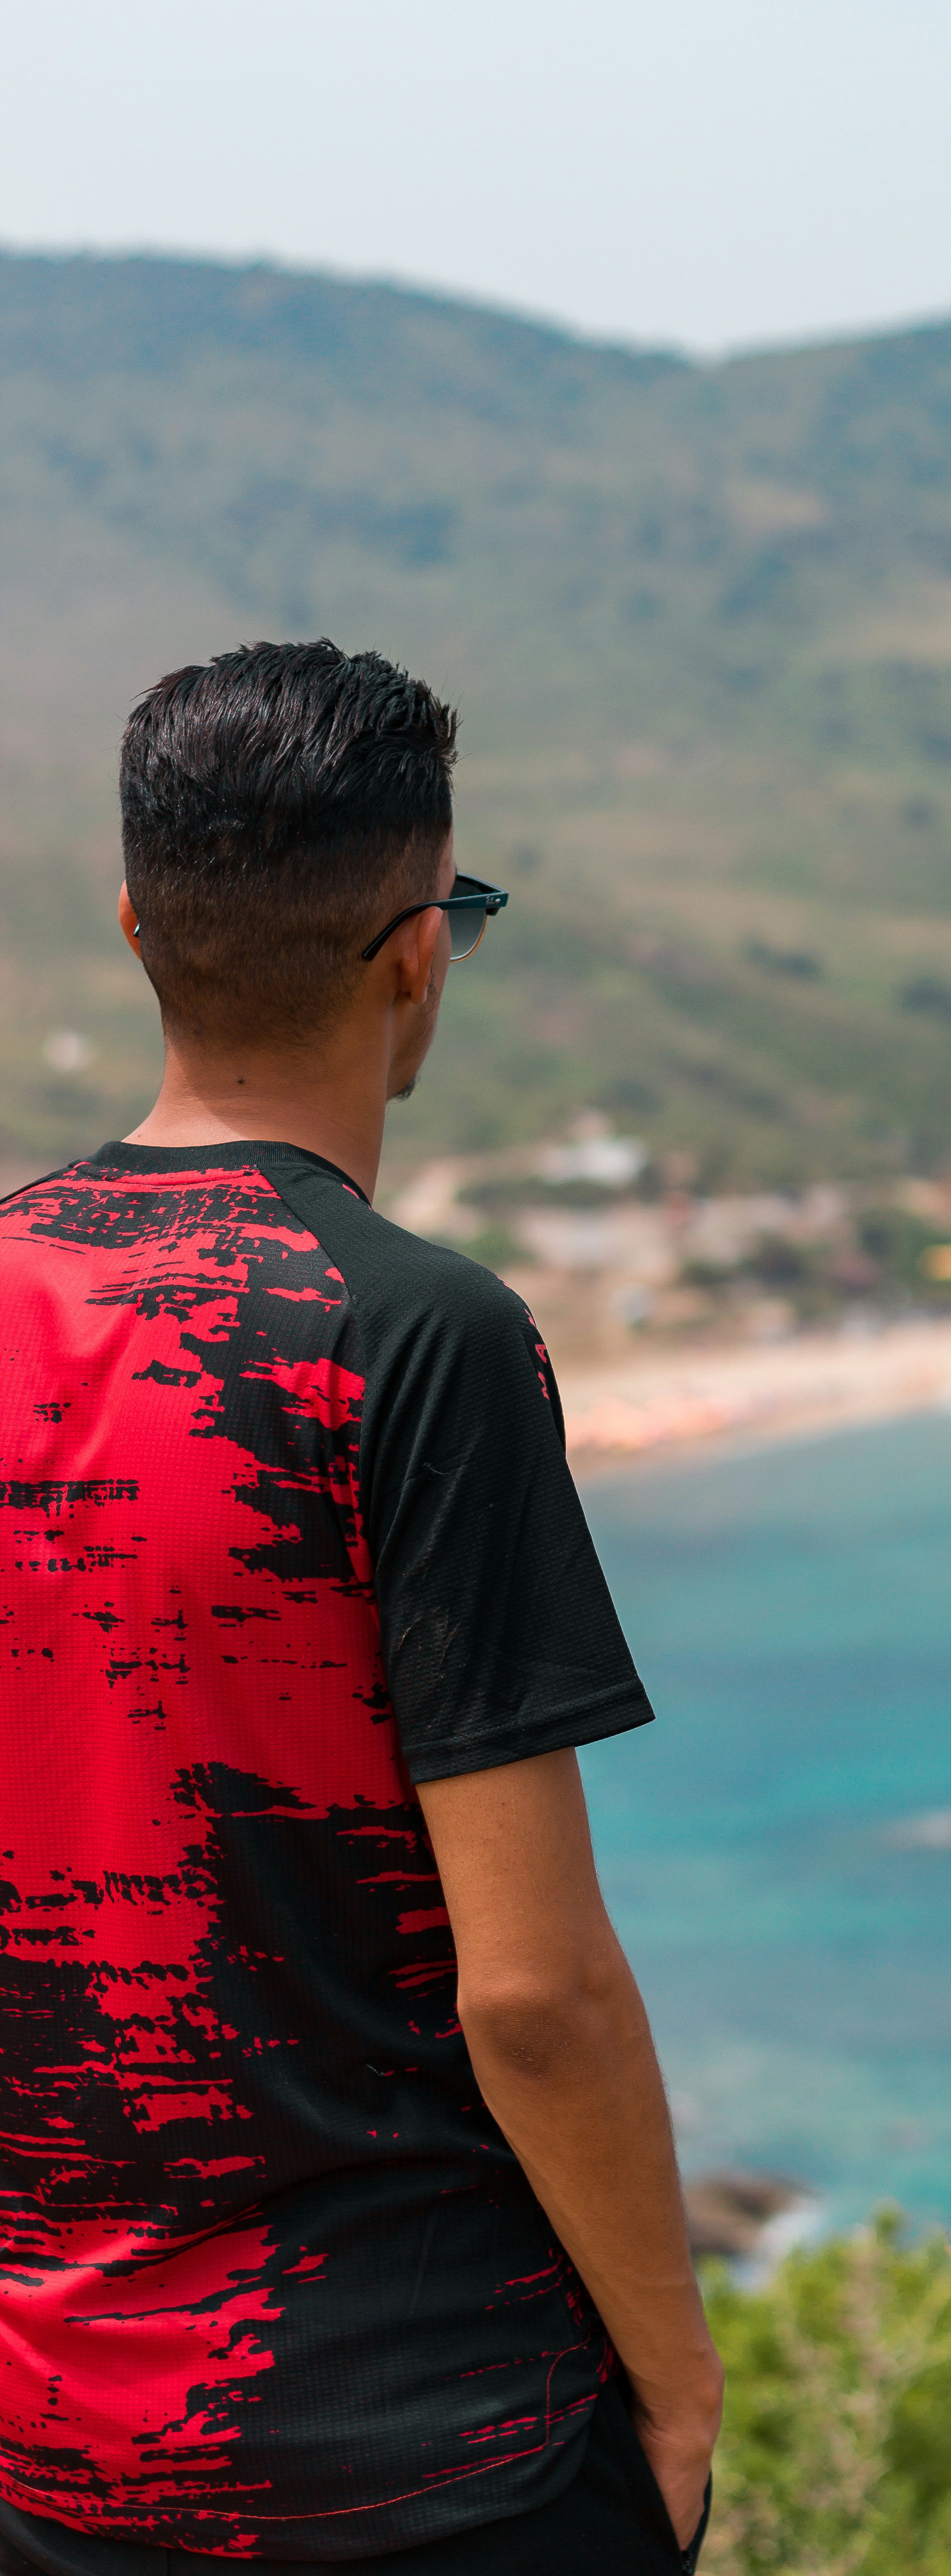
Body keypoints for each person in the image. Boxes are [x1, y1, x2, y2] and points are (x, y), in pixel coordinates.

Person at [0, 642, 722, 2572]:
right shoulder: (412, 1339)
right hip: (431, 2452)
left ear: (140, 924)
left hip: (51, 2458)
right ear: (420, 955)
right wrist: (679, 2388)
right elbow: (536, 1989)